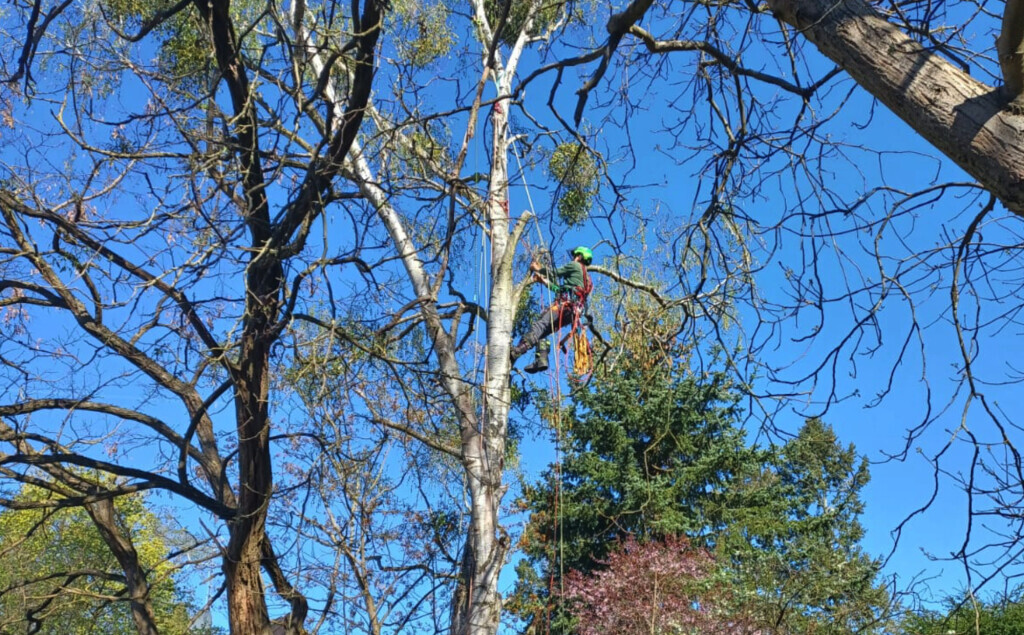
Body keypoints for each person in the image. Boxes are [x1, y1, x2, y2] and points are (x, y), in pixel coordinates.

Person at [511, 246, 593, 373]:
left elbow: (555, 272)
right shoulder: (586, 278)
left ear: (579, 256)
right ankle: (541, 359)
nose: (573, 258)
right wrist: (544, 281)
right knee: (542, 332)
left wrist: (538, 268)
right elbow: (560, 290)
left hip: (564, 307)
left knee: (540, 325)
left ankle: (518, 350)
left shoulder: (575, 266)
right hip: (571, 314)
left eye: (575, 256)